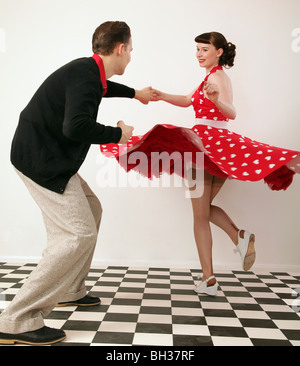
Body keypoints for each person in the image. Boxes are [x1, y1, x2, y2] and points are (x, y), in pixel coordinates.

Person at [100, 31, 300, 296]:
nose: (199, 54)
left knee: (199, 216)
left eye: (204, 49)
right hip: (221, 148)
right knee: (203, 211)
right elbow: (187, 101)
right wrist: (162, 95)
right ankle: (237, 239)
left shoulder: (216, 78)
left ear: (219, 52)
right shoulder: (211, 77)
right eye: (197, 49)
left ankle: (210, 278)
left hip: (203, 146)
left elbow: (231, 111)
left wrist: (217, 100)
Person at [0, 21, 155, 345]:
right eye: (131, 50)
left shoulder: (88, 71)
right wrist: (118, 134)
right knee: (77, 234)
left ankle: (71, 288)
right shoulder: (87, 76)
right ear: (121, 48)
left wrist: (135, 94)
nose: (131, 57)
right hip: (42, 160)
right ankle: (16, 319)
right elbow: (76, 127)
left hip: (46, 154)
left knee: (92, 211)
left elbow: (100, 89)